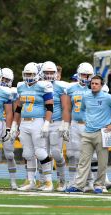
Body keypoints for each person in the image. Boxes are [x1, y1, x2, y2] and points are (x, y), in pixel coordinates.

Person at [66, 75, 111, 194]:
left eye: (96, 83)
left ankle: (99, 185)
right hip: (87, 132)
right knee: (83, 160)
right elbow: (81, 110)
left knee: (102, 162)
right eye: (92, 83)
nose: (94, 85)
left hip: (102, 133)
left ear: (101, 85)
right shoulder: (86, 96)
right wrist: (85, 119)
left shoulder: (108, 97)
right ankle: (79, 185)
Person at [11, 62, 54, 192]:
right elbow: (18, 108)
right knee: (28, 153)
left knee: (40, 152)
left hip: (38, 122)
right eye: (27, 74)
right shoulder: (21, 87)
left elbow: (50, 107)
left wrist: (46, 123)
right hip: (24, 122)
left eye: (31, 74)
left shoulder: (43, 86)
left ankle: (49, 182)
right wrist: (14, 125)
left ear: (37, 75)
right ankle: (31, 181)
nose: (29, 76)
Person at [40, 61, 69, 191]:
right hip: (41, 122)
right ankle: (46, 182)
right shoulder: (37, 85)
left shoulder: (60, 87)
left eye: (52, 72)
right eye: (47, 72)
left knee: (57, 153)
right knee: (43, 153)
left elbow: (65, 107)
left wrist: (65, 123)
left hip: (56, 122)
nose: (50, 75)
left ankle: (62, 180)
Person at [0, 67, 19, 190]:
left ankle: (13, 181)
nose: (4, 81)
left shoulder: (14, 92)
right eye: (3, 78)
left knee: (9, 155)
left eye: (7, 79)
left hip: (8, 124)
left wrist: (15, 126)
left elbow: (17, 110)